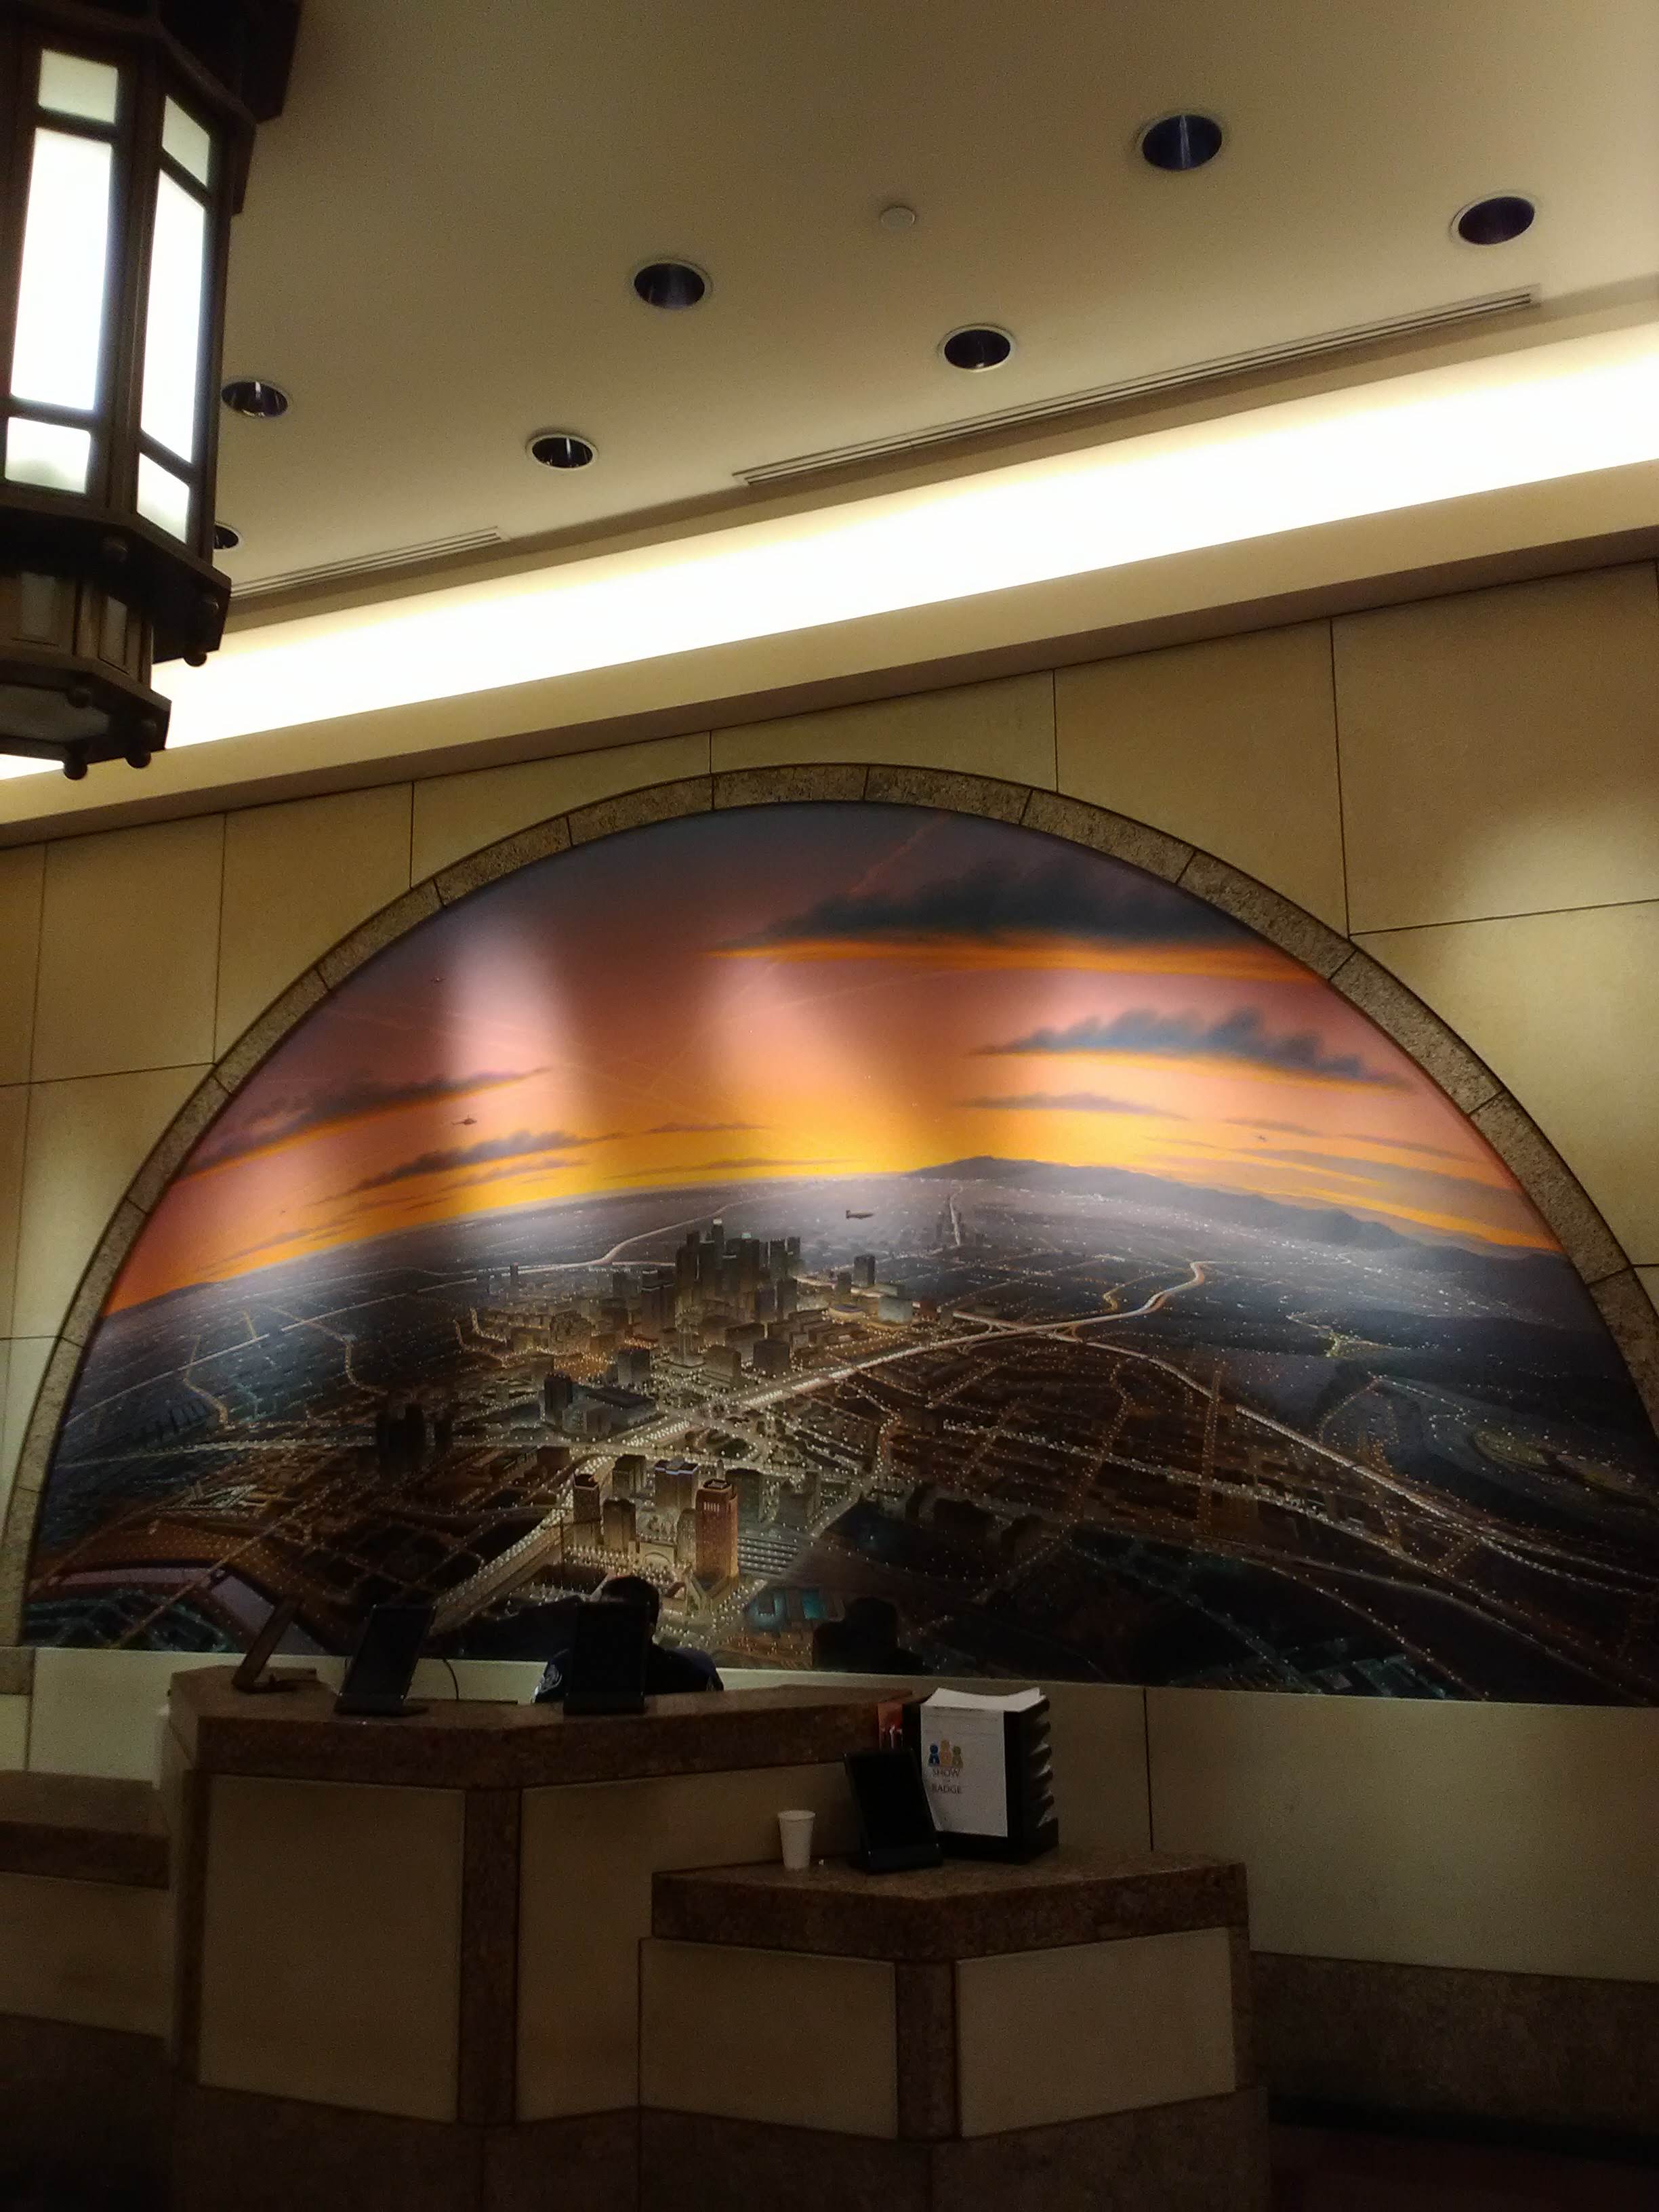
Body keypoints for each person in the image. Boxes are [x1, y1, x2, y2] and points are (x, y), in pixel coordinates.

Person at [534, 1574, 723, 1702]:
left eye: (618, 1620)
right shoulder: (566, 1668)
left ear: (648, 1630)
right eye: (601, 1616)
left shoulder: (684, 1677)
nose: (607, 1628)